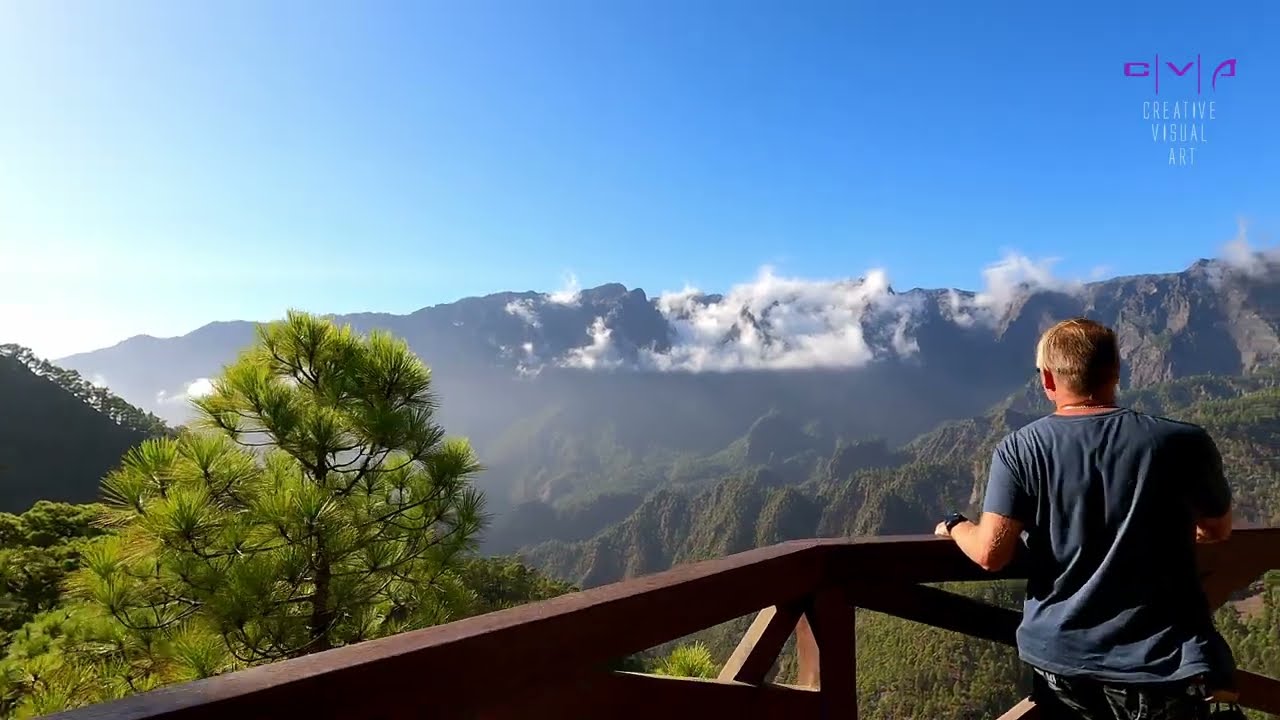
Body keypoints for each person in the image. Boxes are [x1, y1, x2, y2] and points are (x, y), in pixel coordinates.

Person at [934, 317, 1236, 720]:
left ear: (1047, 379)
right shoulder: (1183, 441)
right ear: (1116, 372)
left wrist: (956, 524)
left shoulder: (1020, 449)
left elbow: (991, 554)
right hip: (1164, 663)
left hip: (1064, 667)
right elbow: (1216, 529)